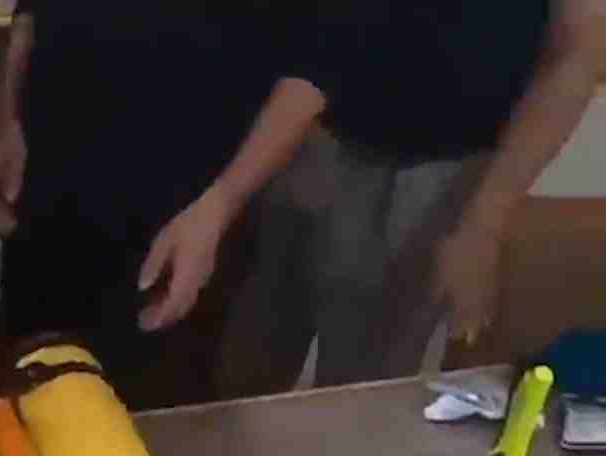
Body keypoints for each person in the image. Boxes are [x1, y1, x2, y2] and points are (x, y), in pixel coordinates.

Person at [216, 0, 606, 395]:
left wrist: (484, 223)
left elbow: (577, 53)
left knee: (366, 387)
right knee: (241, 363)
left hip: (444, 162)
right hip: (302, 124)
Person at [0, 0, 330, 410]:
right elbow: (32, 11)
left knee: (152, 416)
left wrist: (220, 203)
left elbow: (314, 64)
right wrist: (10, 119)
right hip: (47, 195)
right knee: (14, 404)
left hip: (176, 221)